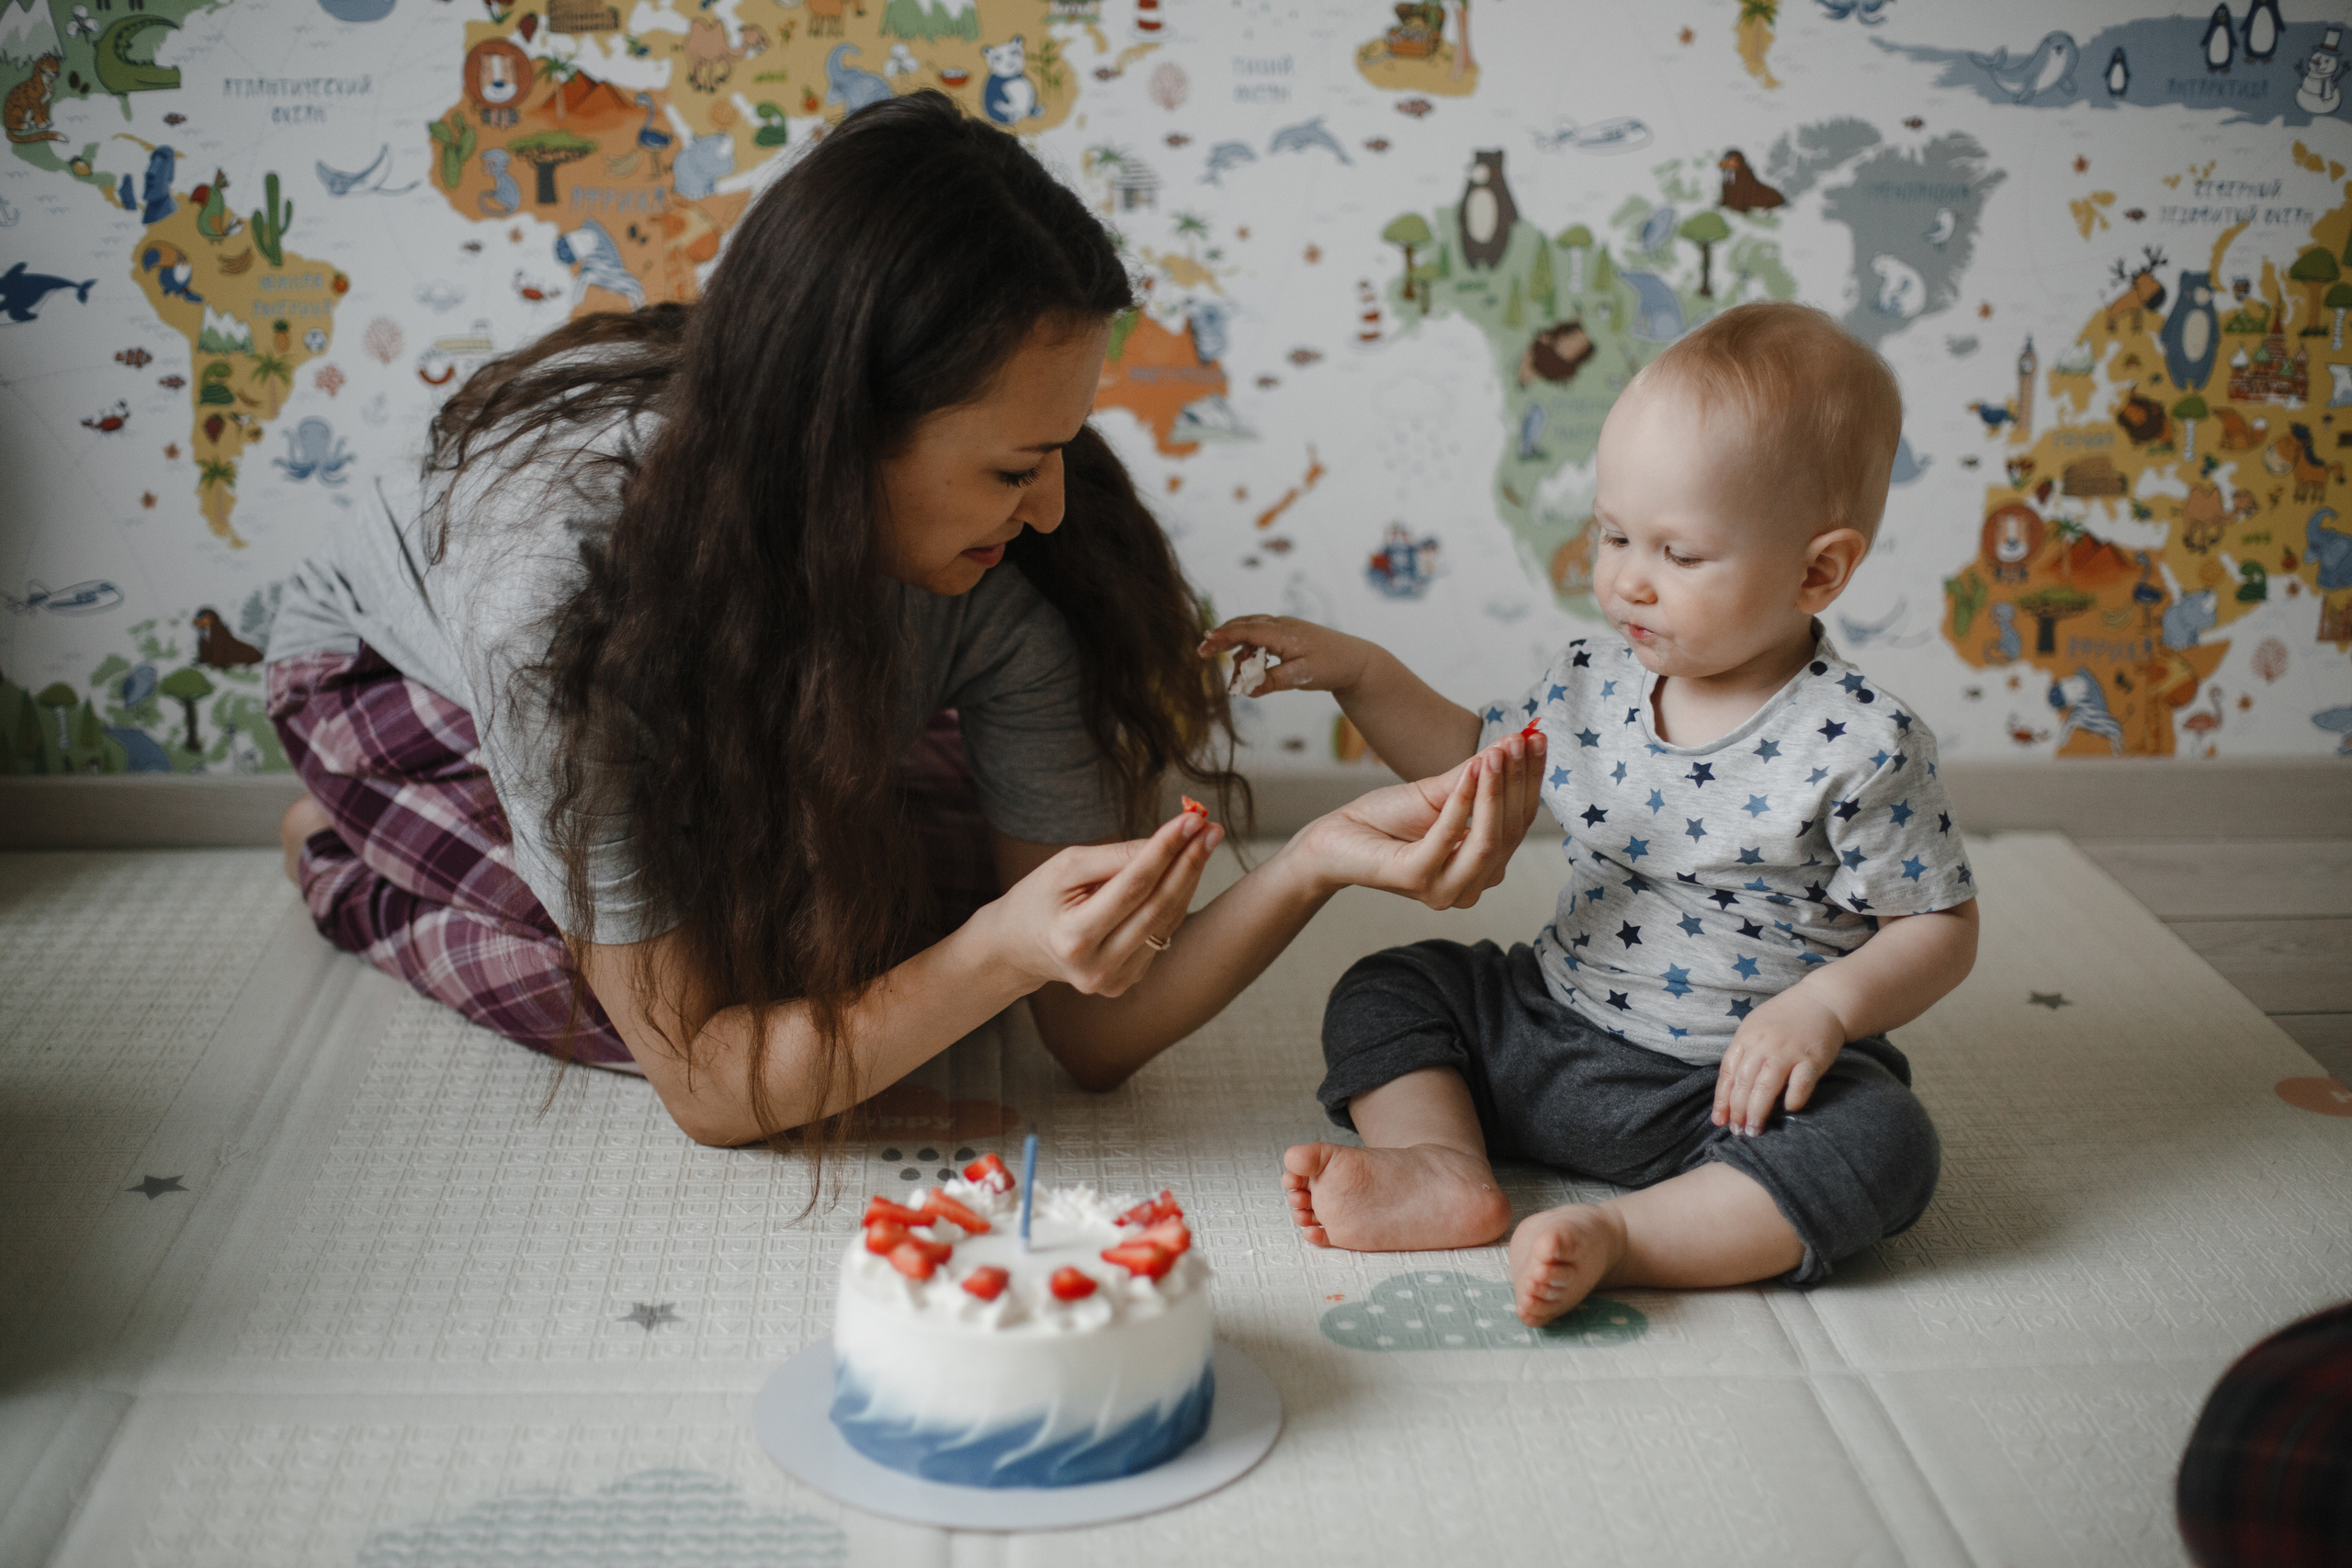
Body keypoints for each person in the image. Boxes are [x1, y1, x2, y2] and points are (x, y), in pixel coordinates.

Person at [263, 93, 1547, 1154]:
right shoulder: (564, 591)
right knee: (756, 1001)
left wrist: (1316, 856)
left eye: (1064, 447)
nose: (1051, 509)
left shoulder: (1007, 582)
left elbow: (1092, 1032)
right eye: (1007, 468)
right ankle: (341, 852)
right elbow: (711, 1090)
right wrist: (996, 946)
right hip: (402, 680)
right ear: (841, 438)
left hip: (781, 697)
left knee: (881, 950)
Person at [1201, 302, 1980, 1325]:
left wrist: (1822, 1011)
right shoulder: (1591, 683)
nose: (1626, 579)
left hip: (1734, 1096)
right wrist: (1361, 671)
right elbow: (1472, 767)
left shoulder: (1859, 743)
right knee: (1394, 984)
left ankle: (1634, 1236)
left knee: (1886, 1145)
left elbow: (1938, 926)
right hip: (1549, 1033)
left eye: (1678, 553)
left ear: (1817, 569)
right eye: (1613, 535)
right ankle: (1439, 1168)